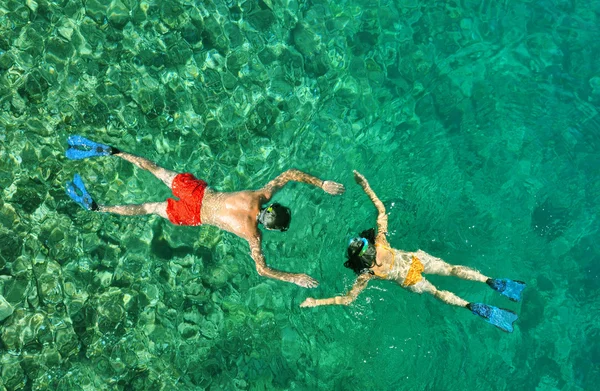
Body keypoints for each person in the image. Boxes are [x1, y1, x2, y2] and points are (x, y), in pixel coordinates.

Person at [64, 135, 345, 288]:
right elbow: (261, 270)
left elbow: (290, 173)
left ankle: (113, 152)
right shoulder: (253, 235)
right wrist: (293, 277)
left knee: (155, 169)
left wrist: (322, 183)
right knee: (149, 207)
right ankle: (99, 207)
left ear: (271, 207)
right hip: (194, 215)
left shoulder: (260, 196)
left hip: (197, 192)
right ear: (269, 226)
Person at [300, 170, 526, 332]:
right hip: (416, 260)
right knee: (452, 269)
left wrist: (316, 302)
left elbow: (347, 300)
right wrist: (365, 185)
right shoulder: (381, 241)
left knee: (437, 292)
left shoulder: (367, 273)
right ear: (367, 244)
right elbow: (381, 209)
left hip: (409, 280)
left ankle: (470, 306)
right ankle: (490, 280)